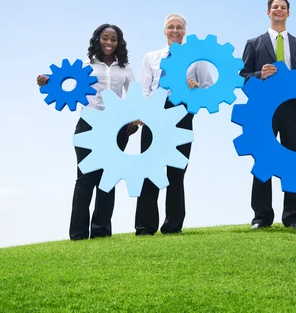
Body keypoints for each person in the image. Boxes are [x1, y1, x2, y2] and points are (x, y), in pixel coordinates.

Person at [37, 24, 136, 240]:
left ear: (119, 42)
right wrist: (47, 81)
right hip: (89, 124)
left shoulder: (126, 68)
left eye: (113, 39)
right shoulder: (86, 65)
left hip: (117, 127)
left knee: (107, 179)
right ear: (97, 40)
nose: (109, 42)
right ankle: (78, 234)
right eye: (105, 38)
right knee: (85, 178)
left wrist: (135, 121)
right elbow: (65, 80)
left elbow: (134, 96)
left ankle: (101, 232)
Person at [240, 0, 296, 230]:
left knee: (295, 161)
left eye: (283, 7)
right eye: (275, 7)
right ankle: (262, 217)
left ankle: (293, 217)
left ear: (288, 13)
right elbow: (243, 77)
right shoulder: (254, 43)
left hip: (293, 109)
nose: (279, 10)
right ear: (268, 12)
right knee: (264, 160)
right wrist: (258, 75)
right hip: (264, 111)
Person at [135, 13, 213, 236]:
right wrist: (149, 113)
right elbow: (145, 90)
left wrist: (195, 86)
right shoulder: (151, 57)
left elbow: (207, 88)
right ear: (165, 31)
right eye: (171, 27)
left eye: (179, 27)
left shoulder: (196, 60)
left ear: (185, 31)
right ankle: (144, 226)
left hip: (182, 114)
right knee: (150, 169)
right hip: (155, 115)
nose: (175, 30)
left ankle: (173, 225)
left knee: (176, 171)